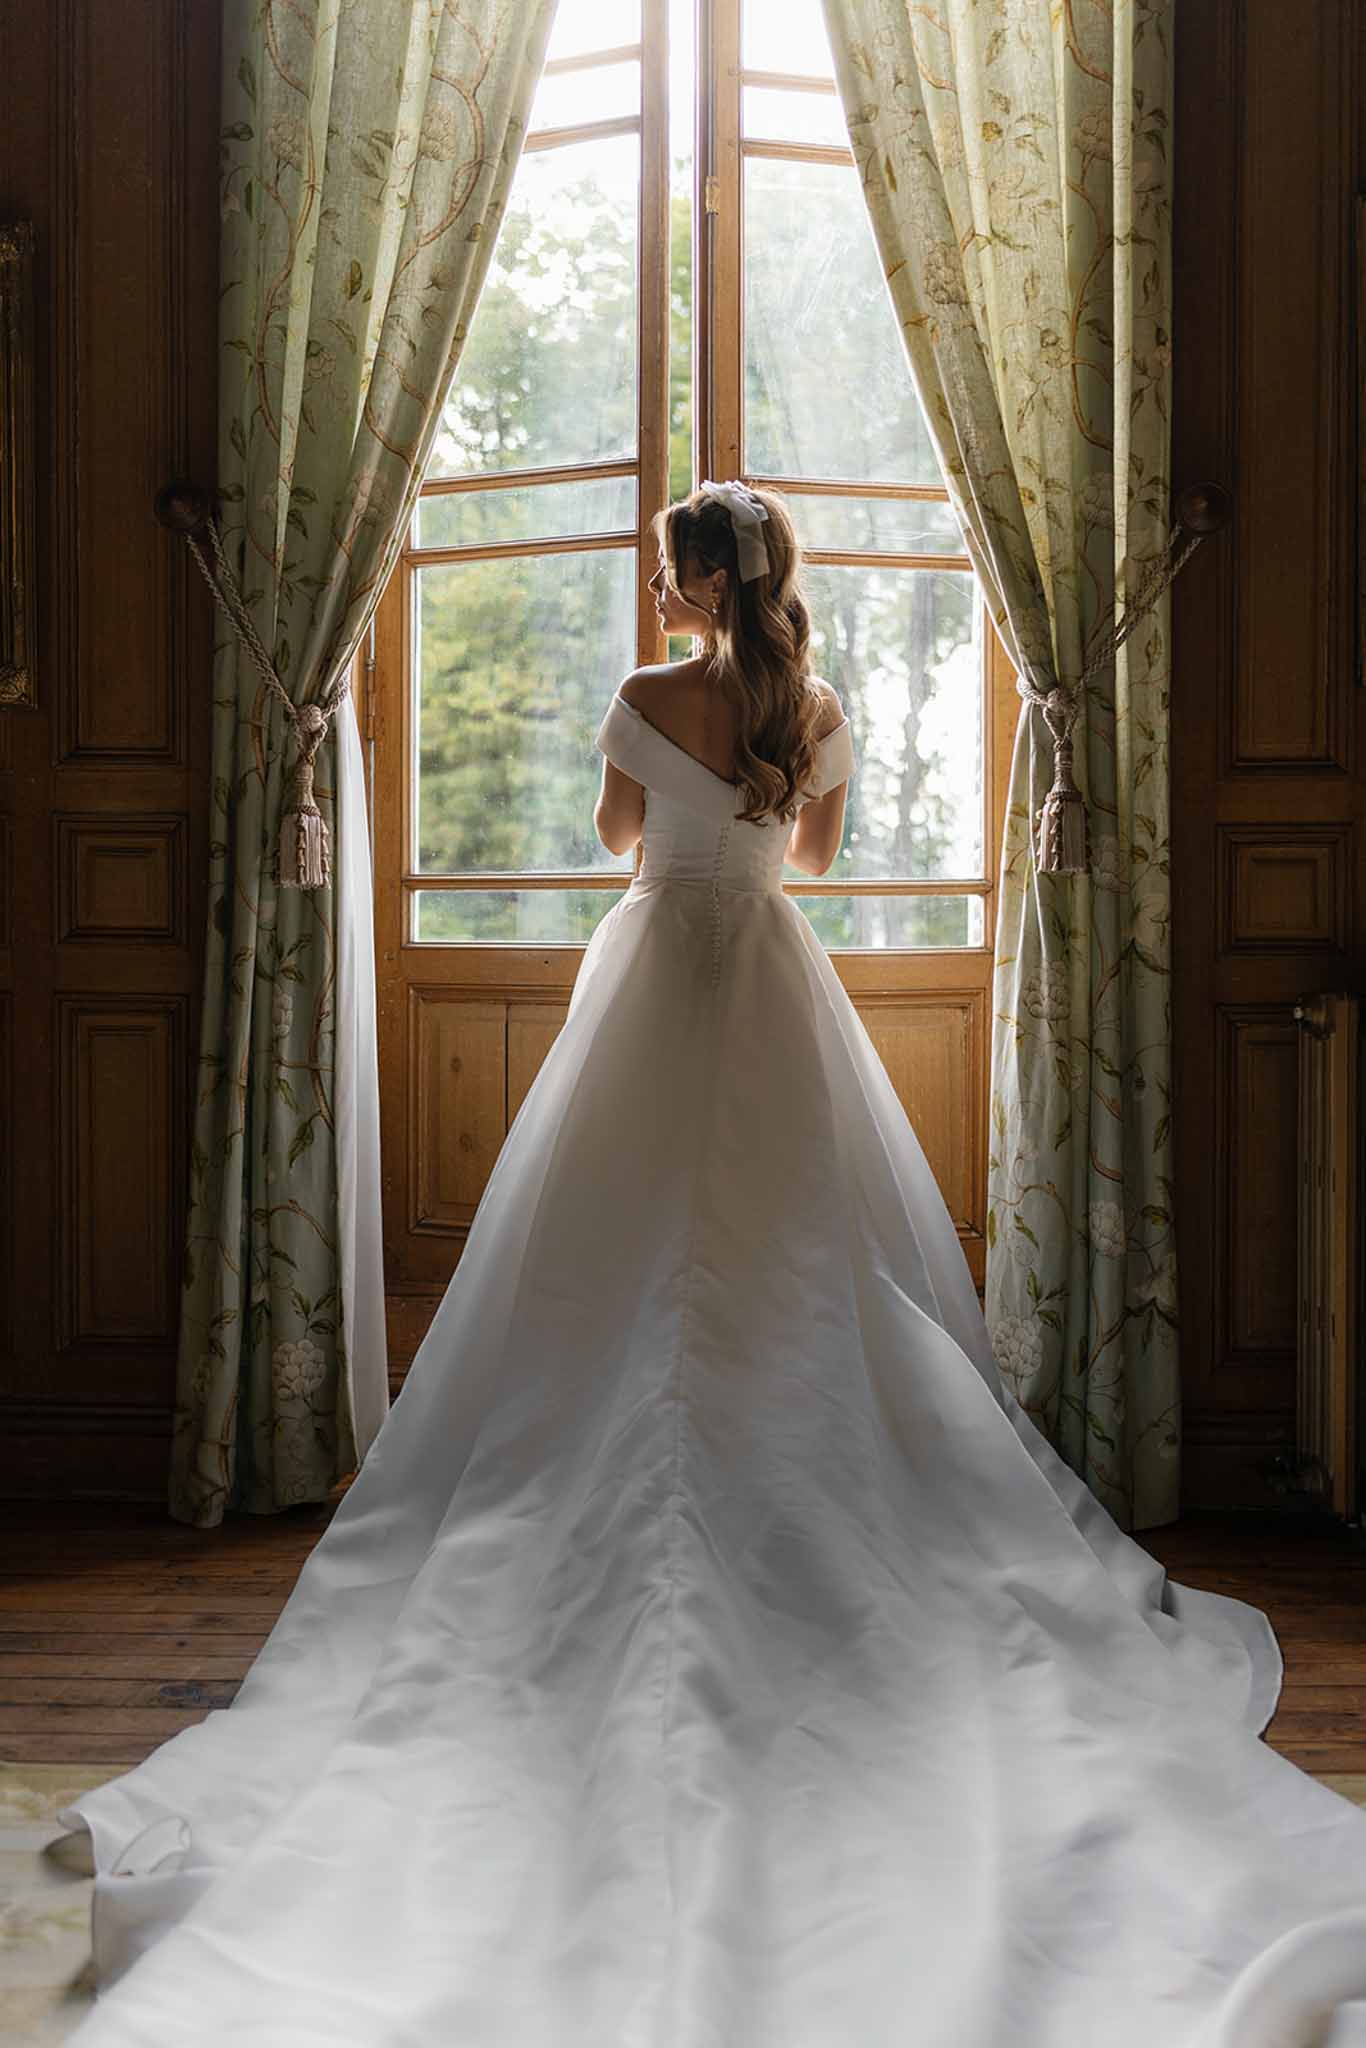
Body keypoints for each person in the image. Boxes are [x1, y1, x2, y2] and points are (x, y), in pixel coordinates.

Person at [55, 482, 1366, 2047]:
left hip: (655, 963)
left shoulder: (642, 692)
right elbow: (812, 853)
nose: (657, 588)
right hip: (766, 972)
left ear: (691, 581)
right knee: (795, 1245)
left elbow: (617, 839)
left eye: (665, 570)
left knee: (607, 1242)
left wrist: (670, 808)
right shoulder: (811, 702)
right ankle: (792, 1468)